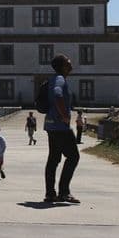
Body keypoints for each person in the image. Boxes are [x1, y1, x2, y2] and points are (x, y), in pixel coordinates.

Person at [43, 54, 80, 204]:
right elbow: (58, 94)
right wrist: (65, 115)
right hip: (60, 126)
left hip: (51, 125)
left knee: (53, 159)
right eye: (68, 61)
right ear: (63, 65)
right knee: (73, 157)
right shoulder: (59, 79)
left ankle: (50, 194)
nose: (71, 63)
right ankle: (64, 192)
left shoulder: (53, 79)